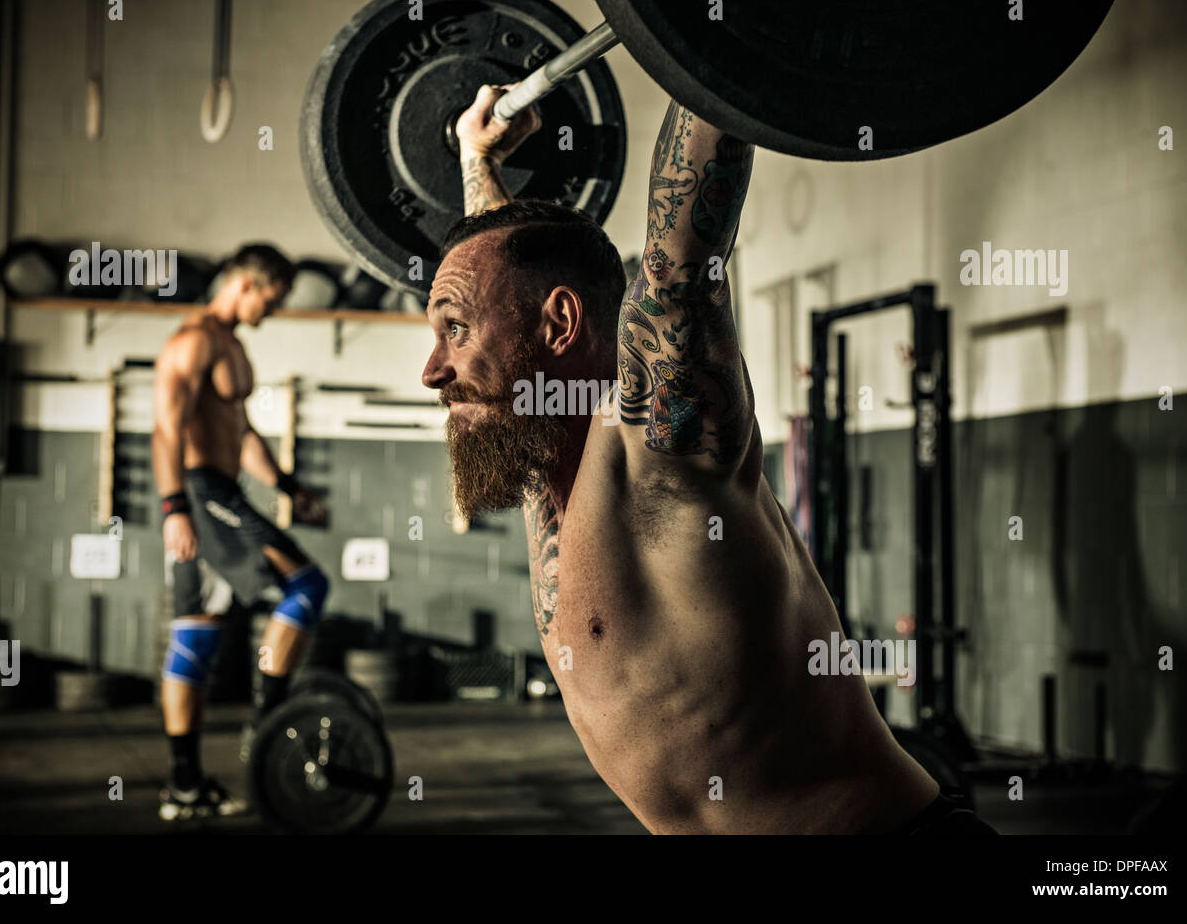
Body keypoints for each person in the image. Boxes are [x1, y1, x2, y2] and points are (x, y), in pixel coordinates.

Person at [423, 86, 995, 834]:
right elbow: (509, 272)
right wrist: (477, 158)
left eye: (454, 331)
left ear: (560, 325)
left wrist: (714, 34)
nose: (432, 368)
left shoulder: (659, 452)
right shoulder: (544, 452)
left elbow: (679, 266)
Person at [152, 243, 330, 820]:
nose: (271, 312)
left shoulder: (231, 346)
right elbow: (164, 430)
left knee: (196, 637)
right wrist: (175, 506)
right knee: (307, 586)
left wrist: (287, 487)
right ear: (248, 284)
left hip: (222, 492)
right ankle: (267, 722)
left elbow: (244, 435)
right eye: (272, 301)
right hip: (204, 497)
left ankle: (184, 785)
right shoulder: (194, 341)